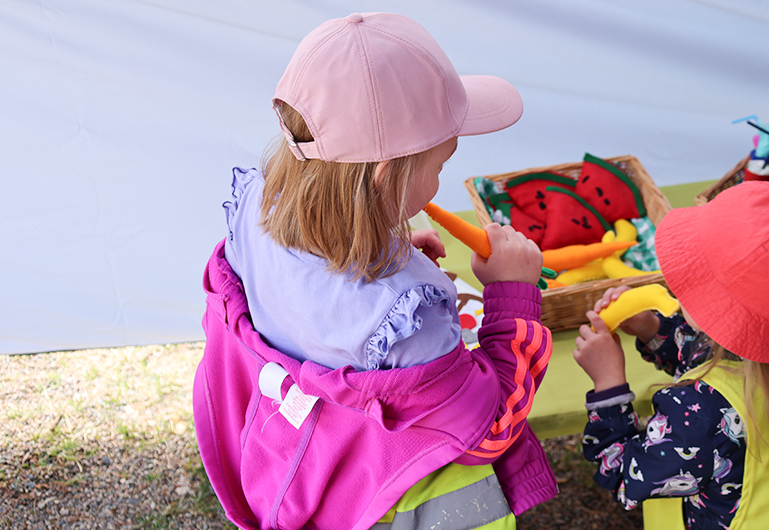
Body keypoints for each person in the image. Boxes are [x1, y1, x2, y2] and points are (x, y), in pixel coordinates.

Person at [193, 13, 556, 530]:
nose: (440, 179)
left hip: (297, 451)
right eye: (440, 165)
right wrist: (512, 293)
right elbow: (491, 425)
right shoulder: (413, 328)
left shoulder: (255, 207)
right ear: (386, 176)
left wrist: (393, 259)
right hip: (383, 493)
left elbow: (314, 293)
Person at [572, 181, 769, 529]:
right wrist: (651, 329)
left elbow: (624, 473)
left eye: (693, 279)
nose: (679, 286)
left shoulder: (699, 419)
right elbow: (712, 356)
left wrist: (608, 386)